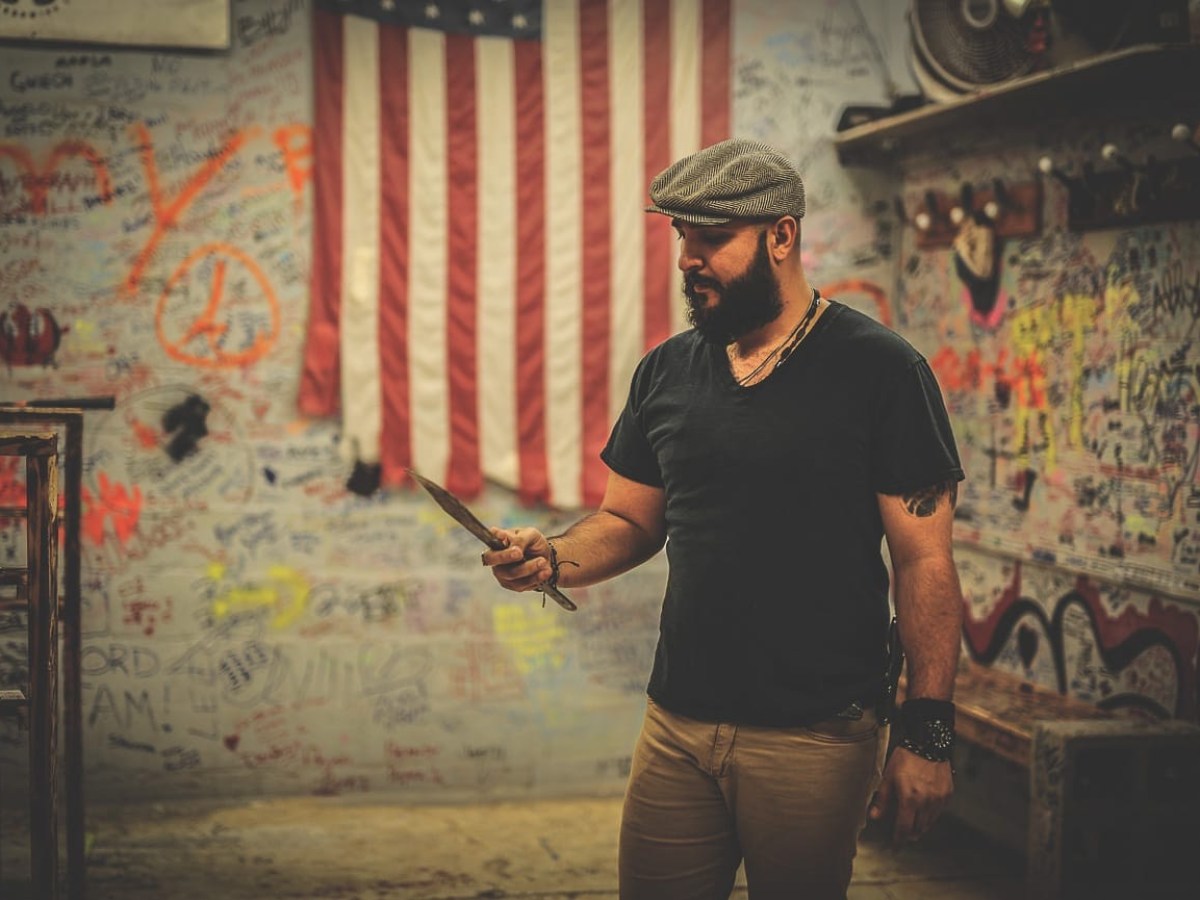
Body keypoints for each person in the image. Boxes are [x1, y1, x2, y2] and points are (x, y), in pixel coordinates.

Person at [482, 137, 965, 900]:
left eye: (712, 239)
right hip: (677, 719)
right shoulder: (668, 371)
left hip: (816, 730)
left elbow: (924, 563)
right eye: (681, 237)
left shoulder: (882, 371)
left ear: (782, 235)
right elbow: (631, 521)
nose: (687, 259)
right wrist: (555, 559)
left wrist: (927, 734)